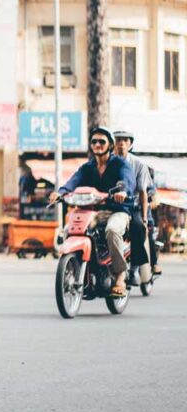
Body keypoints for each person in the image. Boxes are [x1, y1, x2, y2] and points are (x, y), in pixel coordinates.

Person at [50, 127, 134, 297]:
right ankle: (78, 269)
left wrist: (123, 192)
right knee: (70, 230)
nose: (97, 144)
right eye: (94, 141)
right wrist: (60, 192)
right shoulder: (87, 167)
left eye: (101, 141)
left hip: (117, 210)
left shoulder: (120, 164)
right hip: (93, 211)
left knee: (112, 230)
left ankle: (120, 275)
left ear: (110, 145)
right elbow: (73, 181)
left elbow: (127, 180)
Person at [113, 129, 157, 282]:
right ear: (113, 144)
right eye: (118, 140)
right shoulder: (107, 162)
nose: (121, 144)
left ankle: (134, 269)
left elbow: (143, 192)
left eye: (125, 141)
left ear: (130, 145)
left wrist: (144, 218)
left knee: (138, 228)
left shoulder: (138, 164)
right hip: (111, 206)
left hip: (134, 207)